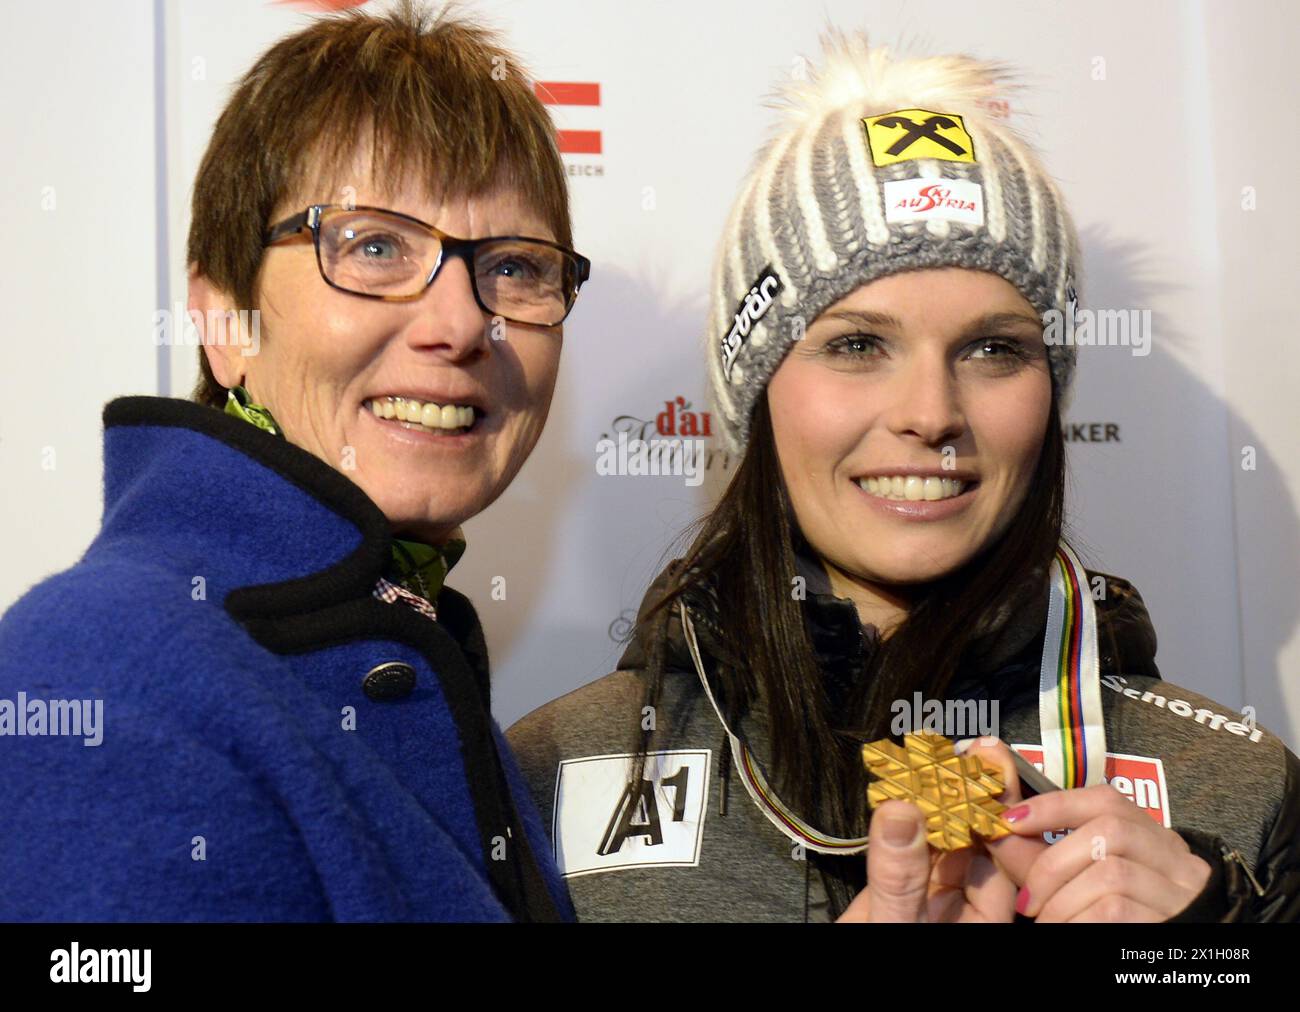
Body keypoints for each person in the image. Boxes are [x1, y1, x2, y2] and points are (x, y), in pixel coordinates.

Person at [506, 31, 1300, 922]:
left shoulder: (1237, 787)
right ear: (759, 393)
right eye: (856, 344)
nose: (931, 411)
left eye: (995, 348)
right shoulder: (548, 772)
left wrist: (1202, 950)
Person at [0, 2, 588, 921]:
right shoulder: (101, 667)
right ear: (225, 318)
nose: (463, 323)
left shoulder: (405, 647)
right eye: (376, 246)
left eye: (514, 267)